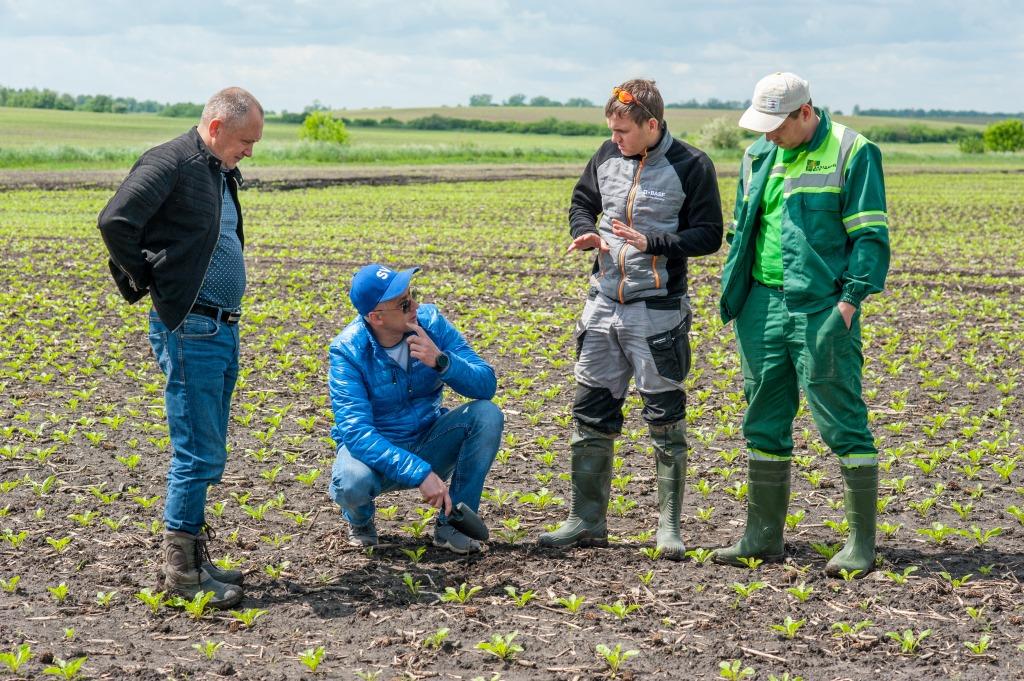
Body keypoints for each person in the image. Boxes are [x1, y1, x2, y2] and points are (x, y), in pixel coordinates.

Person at [539, 79, 723, 559]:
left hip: (657, 312)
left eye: (623, 131)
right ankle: (586, 520)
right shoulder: (606, 155)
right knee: (590, 412)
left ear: (651, 125)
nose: (614, 139)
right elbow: (582, 203)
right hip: (602, 305)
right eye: (612, 130)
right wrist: (585, 232)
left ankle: (668, 528)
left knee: (665, 418)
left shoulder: (692, 165)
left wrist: (653, 243)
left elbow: (709, 235)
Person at [715, 73, 890, 576]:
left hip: (822, 308)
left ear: (805, 113)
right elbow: (742, 229)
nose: (768, 134)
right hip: (760, 305)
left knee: (842, 419)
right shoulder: (756, 155)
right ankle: (762, 536)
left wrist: (848, 305)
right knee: (763, 417)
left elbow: (870, 237)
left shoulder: (853, 151)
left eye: (777, 125)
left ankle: (860, 544)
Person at [97, 87, 264, 606]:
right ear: (216, 128)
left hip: (220, 327)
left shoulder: (215, 169)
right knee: (197, 452)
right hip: (192, 327)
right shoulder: (170, 161)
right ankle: (182, 575)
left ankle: (195, 556)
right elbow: (115, 221)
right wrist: (152, 279)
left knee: (208, 448)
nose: (249, 151)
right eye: (246, 141)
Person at [327, 264, 503, 554]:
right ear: (376, 317)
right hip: (376, 455)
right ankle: (360, 521)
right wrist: (420, 474)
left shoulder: (431, 323)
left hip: (429, 440)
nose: (416, 306)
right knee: (351, 482)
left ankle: (453, 526)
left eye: (413, 295)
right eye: (404, 304)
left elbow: (486, 385)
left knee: (487, 415)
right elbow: (357, 434)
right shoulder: (348, 351)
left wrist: (442, 362)